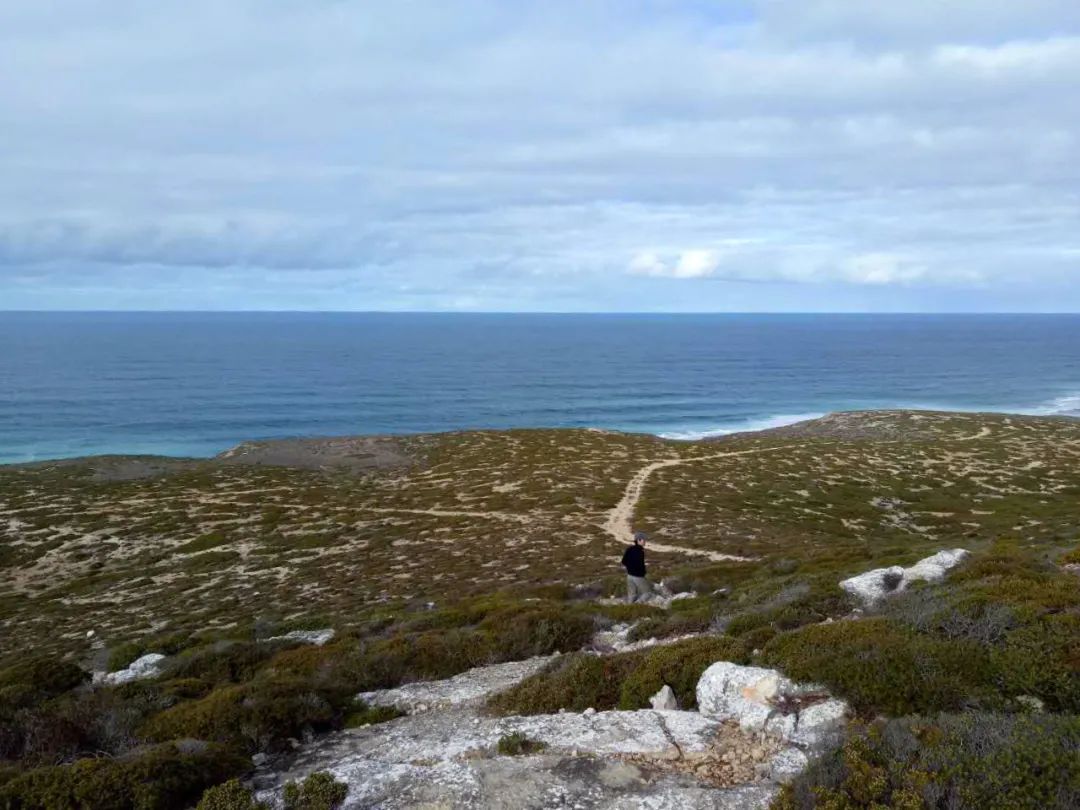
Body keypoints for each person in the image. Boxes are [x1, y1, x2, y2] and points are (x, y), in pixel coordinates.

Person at [621, 530, 652, 603]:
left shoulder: (629, 549)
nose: (645, 542)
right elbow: (640, 565)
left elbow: (623, 561)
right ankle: (637, 605)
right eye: (644, 540)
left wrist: (630, 568)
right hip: (638, 576)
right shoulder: (640, 552)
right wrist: (642, 573)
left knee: (632, 595)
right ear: (639, 540)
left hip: (629, 576)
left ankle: (629, 609)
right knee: (647, 593)